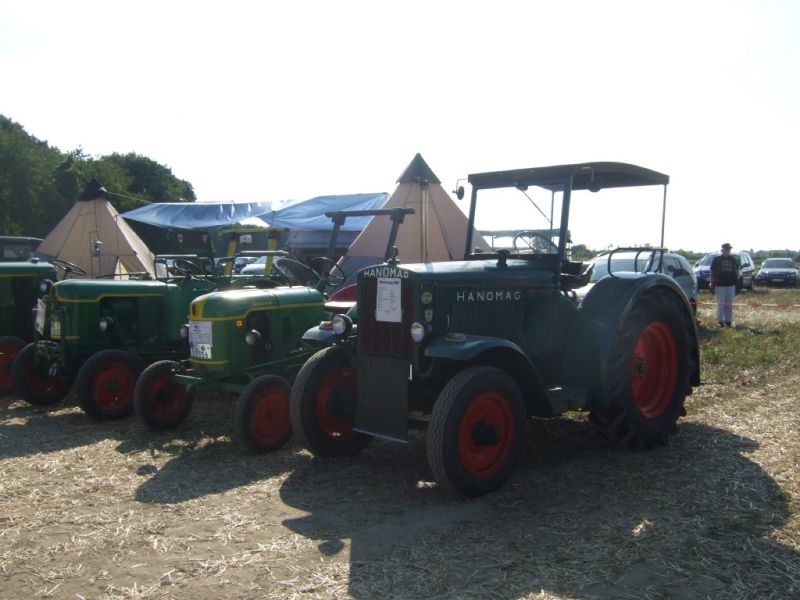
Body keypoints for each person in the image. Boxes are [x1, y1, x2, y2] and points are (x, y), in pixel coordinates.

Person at [709, 242, 739, 327]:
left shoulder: (732, 259)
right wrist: (711, 282)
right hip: (720, 284)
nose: (728, 251)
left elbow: (736, 271)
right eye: (727, 249)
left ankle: (728, 321)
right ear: (723, 250)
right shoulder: (717, 259)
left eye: (729, 249)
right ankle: (720, 321)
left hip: (731, 284)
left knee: (729, 303)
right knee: (721, 303)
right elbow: (712, 271)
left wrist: (737, 283)